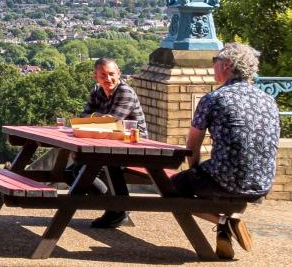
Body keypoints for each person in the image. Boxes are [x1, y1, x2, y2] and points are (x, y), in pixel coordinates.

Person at [170, 42, 280, 259]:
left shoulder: (213, 99)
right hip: (261, 184)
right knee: (230, 187)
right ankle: (224, 233)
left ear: (227, 65)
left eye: (215, 61)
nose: (212, 66)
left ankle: (225, 221)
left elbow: (192, 146)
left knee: (171, 188)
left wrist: (195, 172)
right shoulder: (269, 101)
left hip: (224, 180)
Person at [76, 57, 147, 229]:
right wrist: (99, 119)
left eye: (111, 74)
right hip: (106, 143)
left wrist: (95, 119)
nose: (108, 79)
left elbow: (112, 122)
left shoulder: (125, 92)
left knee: (103, 166)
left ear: (119, 74)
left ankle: (117, 209)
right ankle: (117, 208)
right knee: (73, 172)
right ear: (96, 77)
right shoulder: (96, 91)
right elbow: (82, 117)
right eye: (103, 76)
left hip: (134, 146)